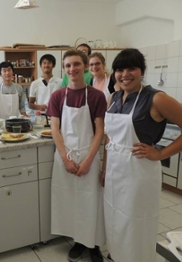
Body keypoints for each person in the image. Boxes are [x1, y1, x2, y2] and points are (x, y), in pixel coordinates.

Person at [101, 48, 182, 262]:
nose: (125, 74)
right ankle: (117, 255)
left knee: (135, 221)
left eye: (132, 68)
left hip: (139, 172)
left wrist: (160, 154)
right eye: (119, 69)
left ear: (142, 70)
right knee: (114, 217)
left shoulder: (156, 98)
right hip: (114, 172)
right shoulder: (113, 97)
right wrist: (104, 169)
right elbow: (109, 137)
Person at [47, 50, 106, 262]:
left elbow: (99, 131)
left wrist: (89, 161)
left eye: (76, 64)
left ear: (85, 67)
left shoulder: (97, 96)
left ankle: (95, 244)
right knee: (71, 200)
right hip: (65, 157)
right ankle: (79, 241)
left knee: (92, 201)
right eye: (68, 66)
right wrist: (66, 159)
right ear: (64, 69)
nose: (72, 69)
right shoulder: (57, 96)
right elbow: (55, 129)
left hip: (88, 154)